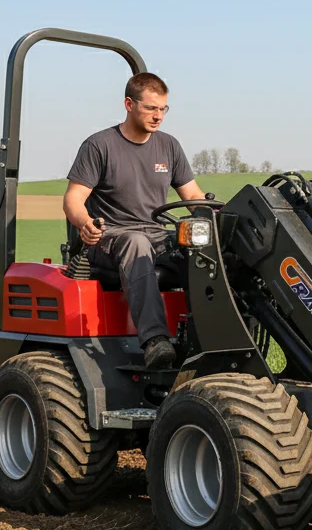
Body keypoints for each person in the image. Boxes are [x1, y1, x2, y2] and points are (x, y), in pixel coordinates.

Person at [63, 71, 205, 368]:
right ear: (129, 104)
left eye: (163, 109)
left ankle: (206, 338)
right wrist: (85, 223)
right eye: (151, 108)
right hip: (111, 239)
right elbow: (73, 199)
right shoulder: (100, 145)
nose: (158, 116)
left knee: (202, 249)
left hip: (156, 235)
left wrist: (221, 216)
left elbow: (192, 196)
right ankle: (155, 340)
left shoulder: (169, 146)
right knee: (136, 241)